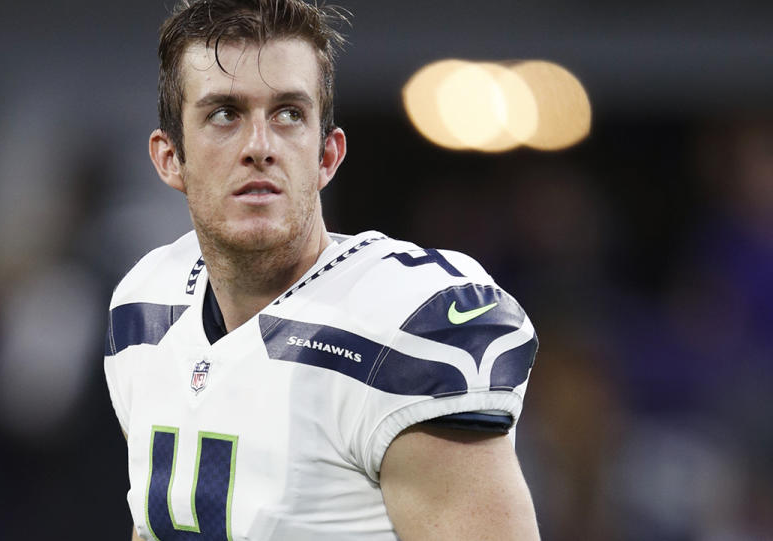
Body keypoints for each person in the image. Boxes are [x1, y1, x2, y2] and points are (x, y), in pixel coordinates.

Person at [104, 1, 540, 539]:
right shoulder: (147, 307)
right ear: (170, 157)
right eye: (225, 114)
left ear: (327, 156)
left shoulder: (405, 329)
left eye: (288, 113)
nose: (258, 147)